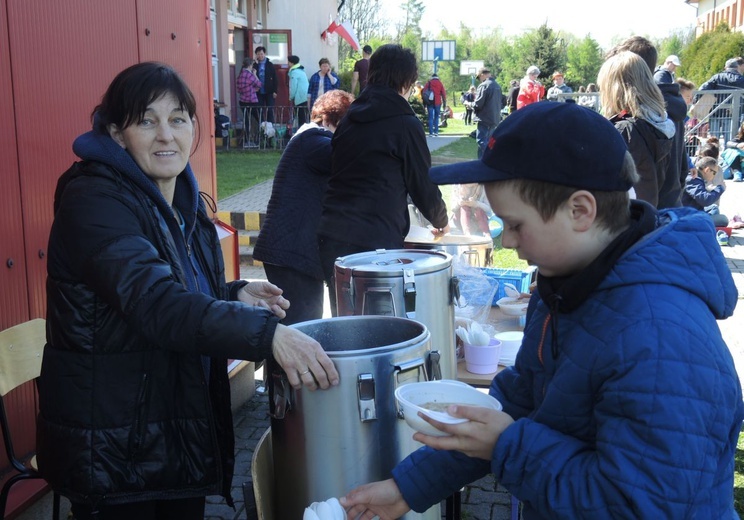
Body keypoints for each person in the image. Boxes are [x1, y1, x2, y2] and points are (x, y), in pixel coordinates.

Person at [341, 101, 743, 520]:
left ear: (580, 211)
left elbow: (638, 507)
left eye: (515, 225)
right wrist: (408, 487)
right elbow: (517, 402)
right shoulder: (566, 287)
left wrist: (508, 445)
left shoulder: (660, 338)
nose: (507, 243)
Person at [36, 62, 340, 520]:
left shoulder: (177, 196)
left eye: (177, 119)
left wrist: (230, 293)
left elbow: (175, 284)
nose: (165, 135)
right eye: (146, 120)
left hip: (168, 429)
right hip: (115, 445)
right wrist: (267, 335)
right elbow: (155, 303)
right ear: (118, 134)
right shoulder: (94, 201)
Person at [316, 44, 449, 315]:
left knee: (346, 326)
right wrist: (441, 221)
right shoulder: (404, 123)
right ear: (406, 81)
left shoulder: (350, 118)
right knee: (379, 333)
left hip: (332, 237)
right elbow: (423, 183)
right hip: (375, 243)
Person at [253, 90, 354, 325]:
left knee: (294, 325)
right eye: (344, 128)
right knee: (301, 328)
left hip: (291, 253)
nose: (345, 137)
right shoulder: (313, 140)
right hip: (292, 255)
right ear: (327, 120)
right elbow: (345, 157)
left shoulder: (307, 140)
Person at [606, 35, 686, 209]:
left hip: (645, 218)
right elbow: (682, 167)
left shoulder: (630, 125)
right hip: (669, 208)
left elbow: (641, 187)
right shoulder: (663, 113)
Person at [698, 57, 744, 139]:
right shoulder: (742, 80)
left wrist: (698, 102)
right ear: (737, 67)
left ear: (726, 68)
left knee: (714, 140)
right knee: (730, 139)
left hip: (715, 113)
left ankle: (715, 151)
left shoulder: (717, 78)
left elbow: (702, 90)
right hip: (733, 115)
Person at [681, 156, 729, 227]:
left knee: (714, 207)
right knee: (723, 219)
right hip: (688, 216)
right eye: (714, 173)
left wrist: (708, 190)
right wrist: (720, 189)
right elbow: (705, 200)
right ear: (707, 170)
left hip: (692, 211)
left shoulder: (696, 178)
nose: (714, 176)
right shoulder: (694, 179)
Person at [469, 67, 502, 159]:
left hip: (485, 118)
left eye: (479, 78)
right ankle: (481, 161)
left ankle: (491, 159)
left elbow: (478, 104)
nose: (479, 80)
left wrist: (470, 104)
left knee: (482, 141)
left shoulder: (484, 86)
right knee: (488, 141)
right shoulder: (497, 85)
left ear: (482, 75)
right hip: (494, 118)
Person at [236, 57, 261, 148]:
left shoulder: (240, 75)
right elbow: (259, 84)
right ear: (250, 65)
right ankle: (259, 138)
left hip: (243, 101)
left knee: (246, 120)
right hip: (252, 101)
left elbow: (239, 89)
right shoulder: (249, 75)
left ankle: (246, 140)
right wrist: (255, 74)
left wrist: (251, 88)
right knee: (259, 119)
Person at [252, 46, 278, 123]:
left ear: (264, 54)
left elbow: (275, 79)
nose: (260, 56)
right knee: (259, 109)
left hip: (269, 91)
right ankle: (262, 126)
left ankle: (271, 126)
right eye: (258, 54)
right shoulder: (254, 64)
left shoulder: (270, 64)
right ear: (256, 55)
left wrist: (275, 91)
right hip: (258, 91)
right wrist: (255, 64)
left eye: (261, 54)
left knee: (270, 109)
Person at [287, 54, 310, 128]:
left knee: (301, 117)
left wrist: (291, 97)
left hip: (300, 97)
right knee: (304, 116)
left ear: (292, 63)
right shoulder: (301, 70)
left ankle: (302, 133)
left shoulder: (294, 72)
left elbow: (293, 86)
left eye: (288, 62)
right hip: (304, 96)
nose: (288, 64)